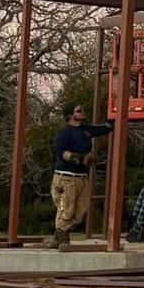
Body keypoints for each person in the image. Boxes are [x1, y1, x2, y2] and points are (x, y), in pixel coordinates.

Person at [48, 104, 114, 250]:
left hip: (82, 177)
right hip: (65, 177)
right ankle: (63, 239)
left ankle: (57, 236)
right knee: (66, 208)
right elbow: (61, 152)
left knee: (79, 211)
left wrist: (112, 120)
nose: (82, 112)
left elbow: (104, 129)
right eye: (79, 111)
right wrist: (80, 158)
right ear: (70, 115)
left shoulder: (86, 130)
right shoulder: (63, 133)